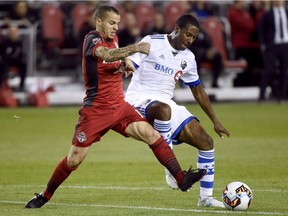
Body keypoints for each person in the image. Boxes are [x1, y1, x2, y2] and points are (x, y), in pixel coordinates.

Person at [25, 4, 206, 209]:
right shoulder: (92, 39)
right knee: (74, 159)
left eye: (118, 24)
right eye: (112, 23)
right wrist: (134, 49)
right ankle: (44, 196)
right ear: (99, 21)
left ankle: (181, 178)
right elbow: (106, 55)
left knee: (152, 135)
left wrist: (125, 65)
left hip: (120, 107)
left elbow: (112, 62)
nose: (116, 27)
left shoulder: (114, 40)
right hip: (97, 111)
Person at [124, 14, 230, 208]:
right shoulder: (152, 42)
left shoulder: (189, 58)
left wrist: (215, 120)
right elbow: (131, 63)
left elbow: (198, 90)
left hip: (166, 102)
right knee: (163, 110)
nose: (190, 40)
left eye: (193, 38)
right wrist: (126, 66)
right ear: (177, 28)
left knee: (206, 142)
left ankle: (205, 199)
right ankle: (171, 169)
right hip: (138, 99)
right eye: (188, 35)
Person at [258, 0, 288, 102]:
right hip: (272, 45)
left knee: (284, 71)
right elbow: (261, 29)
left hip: (285, 45)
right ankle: (262, 96)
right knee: (268, 69)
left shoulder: (286, 12)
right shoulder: (268, 14)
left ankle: (281, 97)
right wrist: (263, 44)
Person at [0, 25, 27, 91]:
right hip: (6, 61)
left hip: (15, 61)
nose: (14, 34)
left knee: (23, 64)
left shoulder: (19, 43)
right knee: (3, 65)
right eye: (12, 32)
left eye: (15, 32)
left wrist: (22, 59)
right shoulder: (4, 43)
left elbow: (21, 54)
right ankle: (1, 85)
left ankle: (21, 85)